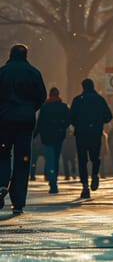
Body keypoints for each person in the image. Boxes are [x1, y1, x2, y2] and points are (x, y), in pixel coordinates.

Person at [0, 44, 47, 215]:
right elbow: (42, 96)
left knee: (3, 155)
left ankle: (1, 184)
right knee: (23, 159)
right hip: (25, 123)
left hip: (3, 121)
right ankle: (18, 201)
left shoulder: (2, 72)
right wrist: (30, 109)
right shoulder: (33, 72)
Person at [69, 78, 113, 199]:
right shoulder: (99, 100)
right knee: (95, 157)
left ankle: (85, 186)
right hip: (95, 133)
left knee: (82, 160)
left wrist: (78, 124)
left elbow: (71, 117)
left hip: (81, 134)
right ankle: (95, 174)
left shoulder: (77, 100)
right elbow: (109, 116)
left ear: (83, 87)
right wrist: (99, 122)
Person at [33, 87, 70, 194]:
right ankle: (54, 180)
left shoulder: (45, 107)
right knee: (56, 159)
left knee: (49, 160)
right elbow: (68, 120)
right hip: (58, 136)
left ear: (49, 95)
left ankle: (52, 182)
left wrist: (34, 135)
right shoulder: (63, 107)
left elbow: (39, 123)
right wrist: (62, 127)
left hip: (46, 137)